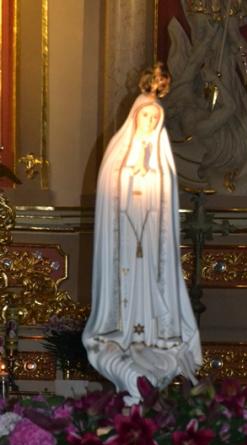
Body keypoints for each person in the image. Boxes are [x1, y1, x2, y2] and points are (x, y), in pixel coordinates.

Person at [83, 63, 202, 402]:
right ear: (135, 119)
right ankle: (123, 336)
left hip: (150, 246)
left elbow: (167, 212)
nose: (149, 122)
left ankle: (152, 336)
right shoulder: (117, 162)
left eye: (154, 118)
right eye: (145, 117)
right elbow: (110, 201)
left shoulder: (163, 167)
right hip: (124, 244)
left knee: (150, 284)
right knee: (127, 285)